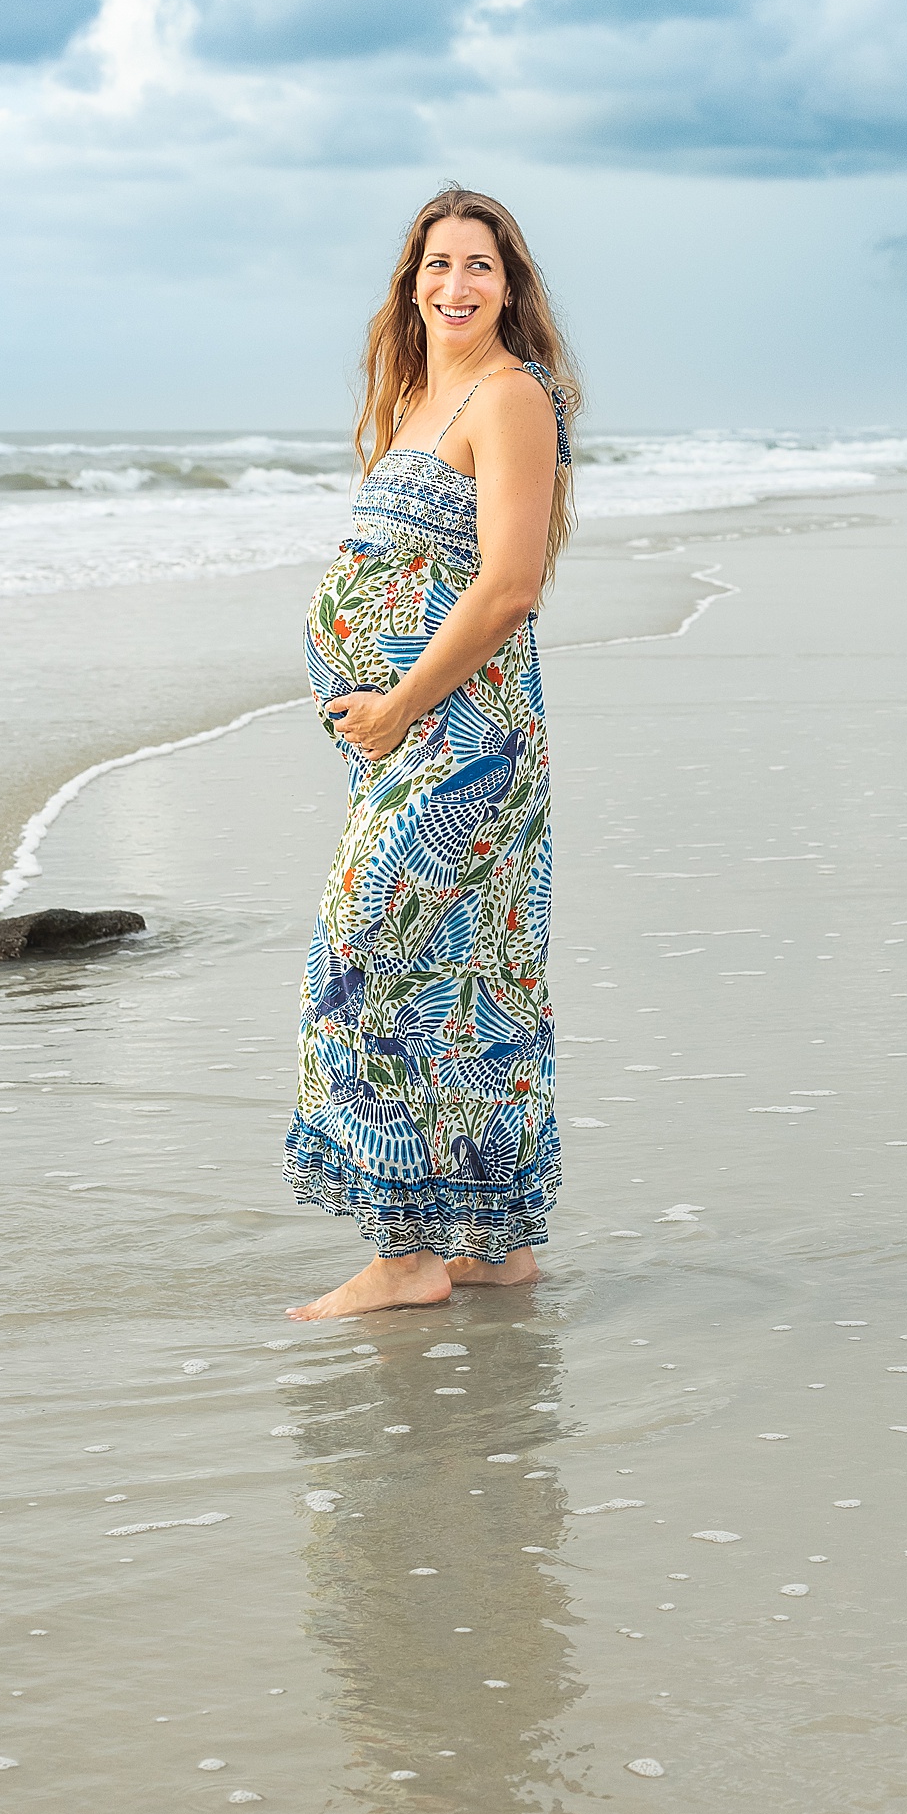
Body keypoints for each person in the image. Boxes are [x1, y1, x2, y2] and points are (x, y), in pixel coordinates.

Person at [285, 186, 579, 1316]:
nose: (456, 286)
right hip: (411, 740)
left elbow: (509, 587)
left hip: (464, 741)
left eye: (481, 267)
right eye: (438, 265)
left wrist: (402, 702)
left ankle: (406, 1257)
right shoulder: (416, 393)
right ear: (411, 281)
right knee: (472, 978)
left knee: (357, 967)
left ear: (512, 287)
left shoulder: (508, 398)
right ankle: (494, 1247)